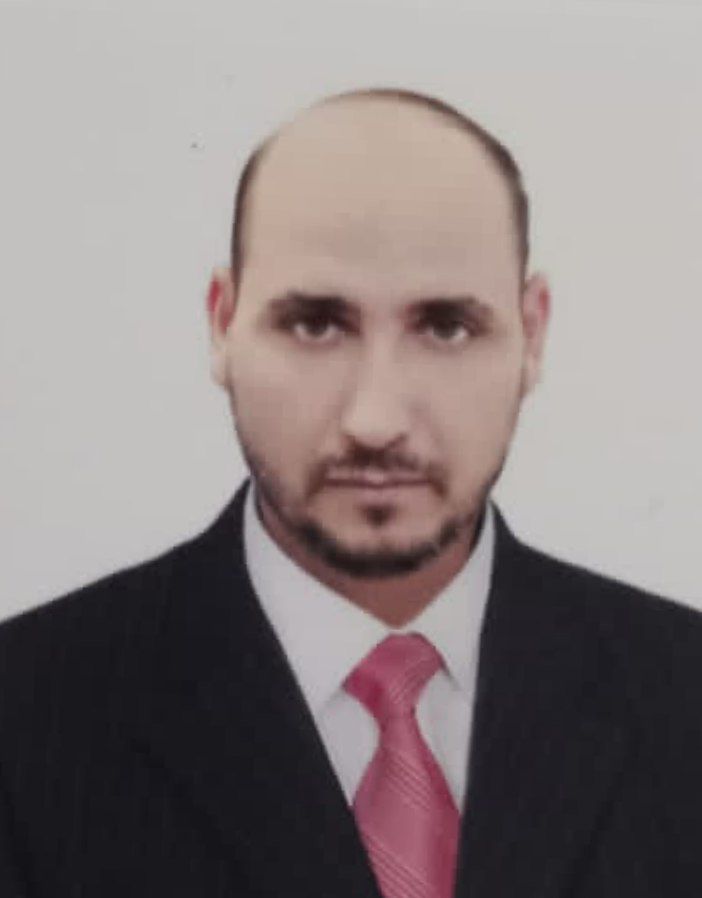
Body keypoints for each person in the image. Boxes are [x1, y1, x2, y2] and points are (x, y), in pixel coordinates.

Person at [0, 87, 700, 898]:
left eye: (446, 327)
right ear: (222, 324)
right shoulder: (25, 719)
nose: (376, 420)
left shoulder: (684, 699)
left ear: (532, 334)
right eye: (315, 324)